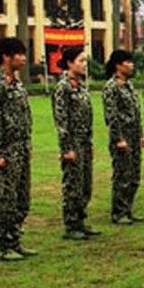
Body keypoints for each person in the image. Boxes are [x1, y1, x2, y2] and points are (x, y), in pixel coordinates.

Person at [0, 37, 35, 261]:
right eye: (19, 54)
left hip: (21, 148)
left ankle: (15, 239)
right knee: (6, 199)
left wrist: (28, 144)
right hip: (5, 151)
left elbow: (25, 117)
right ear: (6, 57)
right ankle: (5, 244)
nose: (23, 58)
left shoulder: (17, 84)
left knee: (22, 199)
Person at [51, 46, 99, 240]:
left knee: (85, 184)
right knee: (72, 184)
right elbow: (61, 120)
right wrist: (67, 147)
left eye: (85, 61)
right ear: (70, 63)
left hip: (84, 141)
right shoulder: (63, 87)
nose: (84, 64)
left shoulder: (79, 85)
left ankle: (81, 220)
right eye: (81, 61)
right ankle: (71, 225)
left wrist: (89, 141)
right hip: (72, 142)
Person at [103, 50, 144, 225]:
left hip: (133, 135)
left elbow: (136, 112)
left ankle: (128, 209)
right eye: (128, 62)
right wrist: (118, 138)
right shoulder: (111, 87)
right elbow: (111, 116)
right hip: (122, 135)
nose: (131, 65)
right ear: (118, 65)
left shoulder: (128, 85)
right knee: (122, 175)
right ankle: (118, 212)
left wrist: (141, 135)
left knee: (134, 175)